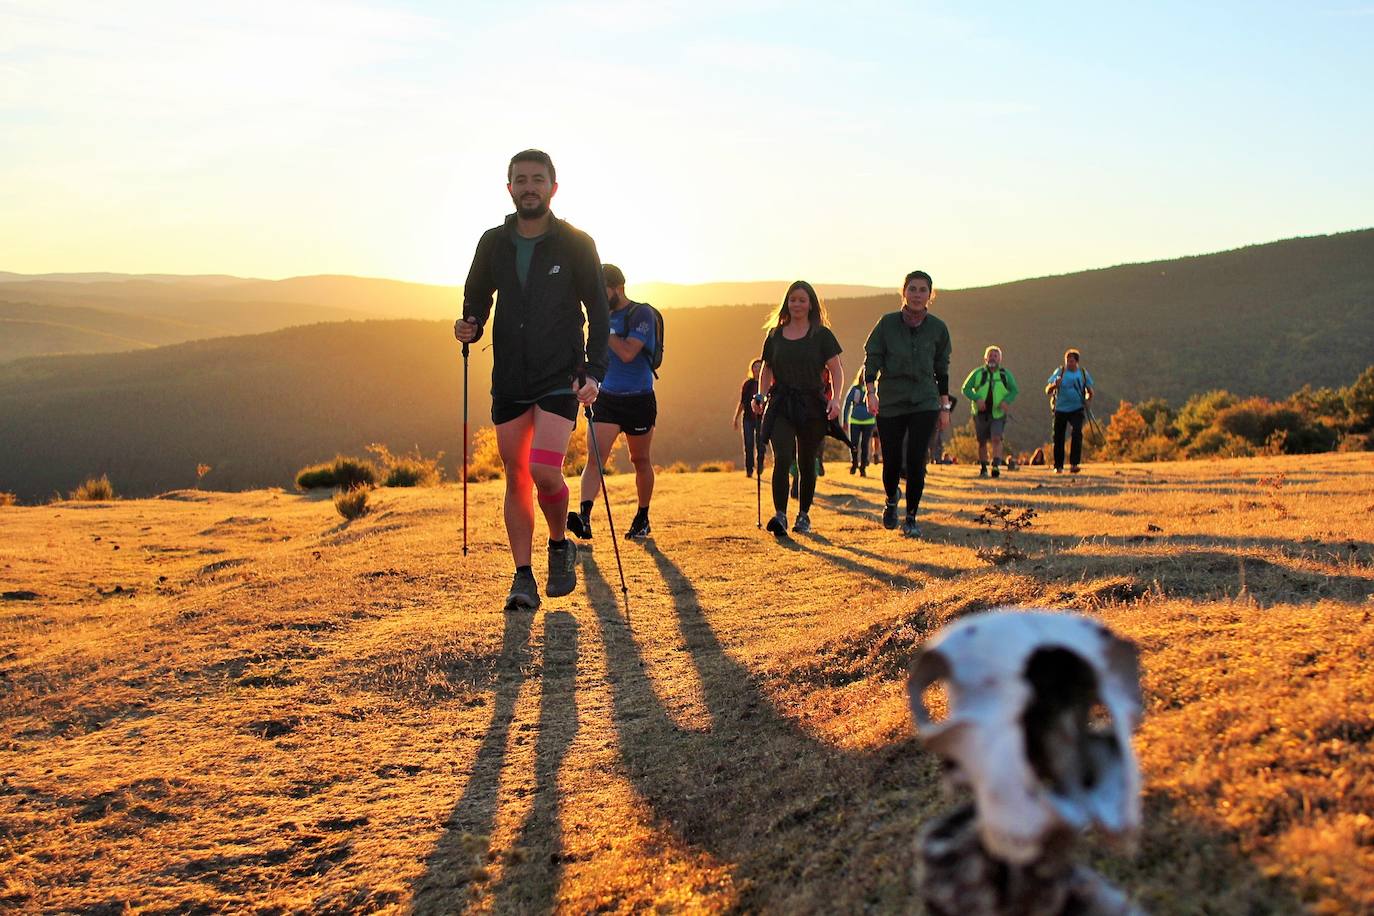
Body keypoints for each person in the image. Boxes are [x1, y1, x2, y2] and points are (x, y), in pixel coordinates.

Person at [454, 149, 609, 610]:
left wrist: (595, 372)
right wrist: (471, 324)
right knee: (516, 475)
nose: (528, 187)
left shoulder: (576, 243)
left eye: (537, 179)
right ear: (509, 188)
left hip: (562, 373)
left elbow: (598, 312)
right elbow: (476, 296)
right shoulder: (492, 242)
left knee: (544, 468)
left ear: (552, 188)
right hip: (510, 377)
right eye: (520, 179)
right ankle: (522, 578)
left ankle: (560, 544)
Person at [568, 264, 656, 541]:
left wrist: (603, 329)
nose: (597, 296)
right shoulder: (600, 315)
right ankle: (584, 517)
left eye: (601, 290)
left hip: (639, 398)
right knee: (595, 459)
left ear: (617, 287)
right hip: (607, 396)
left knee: (639, 459)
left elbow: (629, 352)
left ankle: (642, 516)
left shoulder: (641, 313)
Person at [862, 270, 952, 537]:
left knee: (916, 459)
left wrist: (944, 407)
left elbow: (942, 369)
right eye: (912, 289)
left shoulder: (938, 328)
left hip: (925, 401)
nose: (917, 294)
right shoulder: (887, 323)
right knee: (891, 461)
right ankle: (891, 500)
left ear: (930, 295)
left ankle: (911, 516)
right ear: (903, 292)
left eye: (922, 290)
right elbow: (873, 357)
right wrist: (870, 391)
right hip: (890, 400)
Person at [753, 281, 843, 536]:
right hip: (780, 402)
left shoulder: (822, 335)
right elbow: (767, 368)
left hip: (811, 404)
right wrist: (760, 395)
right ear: (787, 303)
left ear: (811, 304)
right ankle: (780, 515)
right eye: (793, 299)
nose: (797, 304)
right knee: (782, 457)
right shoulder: (774, 335)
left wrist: (835, 399)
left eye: (802, 300)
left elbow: (836, 369)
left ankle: (803, 515)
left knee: (806, 461)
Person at [961, 345, 1020, 478]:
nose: (993, 358)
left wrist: (1006, 401)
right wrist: (977, 399)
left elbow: (1014, 390)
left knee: (996, 438)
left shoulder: (1005, 374)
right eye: (990, 355)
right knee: (981, 442)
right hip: (980, 414)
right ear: (985, 358)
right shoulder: (978, 373)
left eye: (995, 355)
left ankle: (996, 466)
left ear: (1000, 359)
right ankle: (983, 467)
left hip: (998, 414)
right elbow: (966, 389)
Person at [1045, 348, 1095, 474]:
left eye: (1071, 361)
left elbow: (1090, 392)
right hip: (1060, 409)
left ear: (1077, 362)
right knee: (1058, 437)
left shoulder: (1083, 373)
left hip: (1077, 409)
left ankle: (1074, 464)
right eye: (1067, 361)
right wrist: (1055, 385)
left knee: (1077, 433)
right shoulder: (1060, 372)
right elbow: (1047, 390)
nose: (1069, 363)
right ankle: (1058, 466)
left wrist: (1087, 401)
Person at [732, 358, 768, 478]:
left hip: (761, 419)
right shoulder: (748, 384)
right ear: (751, 369)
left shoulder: (766, 383)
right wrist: (736, 418)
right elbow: (742, 402)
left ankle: (760, 464)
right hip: (748, 418)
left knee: (761, 444)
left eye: (759, 367)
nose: (757, 369)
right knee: (748, 445)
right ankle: (749, 469)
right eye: (755, 367)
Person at [843, 368, 876, 477]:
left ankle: (863, 467)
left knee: (865, 444)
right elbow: (847, 404)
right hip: (855, 420)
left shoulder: (873, 390)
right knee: (854, 443)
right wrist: (845, 420)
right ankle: (854, 463)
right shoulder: (855, 389)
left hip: (869, 421)